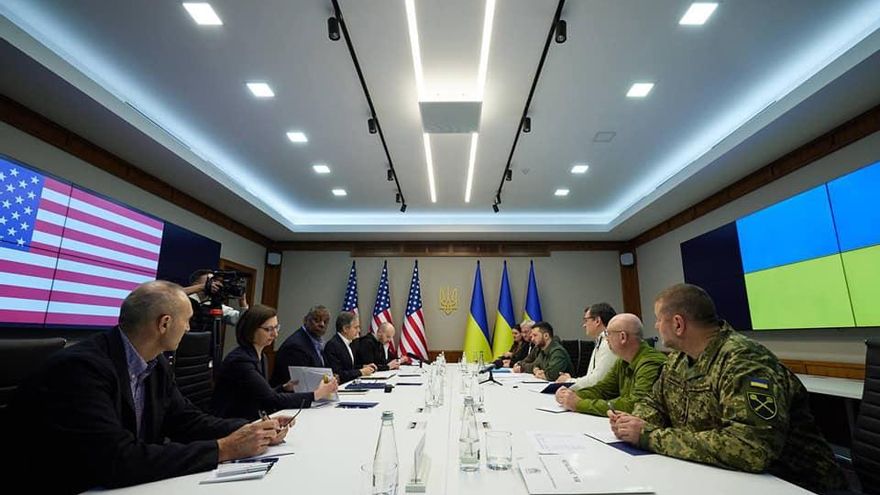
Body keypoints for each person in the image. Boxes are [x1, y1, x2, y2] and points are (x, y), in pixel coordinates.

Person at [4, 281, 290, 494]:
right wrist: (223, 449)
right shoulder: (82, 369)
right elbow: (117, 460)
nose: (189, 329)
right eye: (187, 321)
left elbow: (186, 420)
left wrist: (254, 429)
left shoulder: (154, 363)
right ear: (164, 323)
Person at [608, 284, 845, 494]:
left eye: (659, 319)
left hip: (792, 483)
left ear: (678, 324)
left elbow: (749, 448)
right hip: (721, 477)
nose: (656, 326)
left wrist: (648, 435)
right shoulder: (679, 360)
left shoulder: (744, 361)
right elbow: (654, 403)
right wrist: (632, 422)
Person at [212, 304, 338, 420]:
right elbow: (271, 400)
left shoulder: (262, 357)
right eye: (268, 329)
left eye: (276, 327)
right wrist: (316, 394)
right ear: (251, 330)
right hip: (232, 425)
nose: (275, 334)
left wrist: (283, 388)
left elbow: (262, 394)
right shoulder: (240, 361)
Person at [555, 313, 665, 416]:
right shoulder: (623, 360)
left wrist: (579, 404)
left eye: (608, 334)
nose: (606, 339)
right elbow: (602, 389)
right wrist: (572, 394)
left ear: (623, 337)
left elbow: (636, 405)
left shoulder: (650, 363)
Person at [555, 303, 617, 389]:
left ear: (597, 321)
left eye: (586, 320)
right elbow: (591, 378)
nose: (584, 325)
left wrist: (568, 381)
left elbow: (597, 382)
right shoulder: (600, 342)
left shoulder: (609, 344)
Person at [271, 305, 331, 387]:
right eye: (317, 320)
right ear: (305, 320)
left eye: (325, 321)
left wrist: (330, 377)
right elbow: (300, 384)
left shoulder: (317, 342)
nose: (322, 324)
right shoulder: (296, 346)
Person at [324, 311, 376, 383]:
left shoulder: (351, 343)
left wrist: (362, 367)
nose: (359, 330)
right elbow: (337, 374)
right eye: (356, 327)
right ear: (345, 329)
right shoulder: (332, 345)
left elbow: (349, 367)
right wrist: (360, 372)